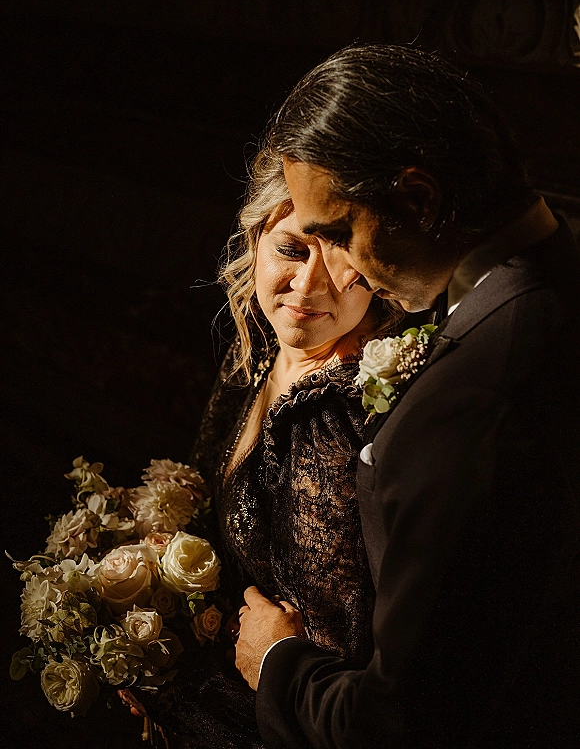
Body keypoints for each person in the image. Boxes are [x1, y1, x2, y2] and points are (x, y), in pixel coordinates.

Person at [235, 44, 580, 748]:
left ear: (418, 198)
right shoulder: (558, 280)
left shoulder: (467, 400)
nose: (334, 272)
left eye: (338, 234)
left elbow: (401, 720)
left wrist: (277, 661)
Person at [126, 149, 394, 748]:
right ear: (255, 242)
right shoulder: (256, 350)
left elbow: (330, 651)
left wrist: (172, 686)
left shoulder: (341, 418)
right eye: (292, 250)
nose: (307, 287)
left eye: (342, 256)